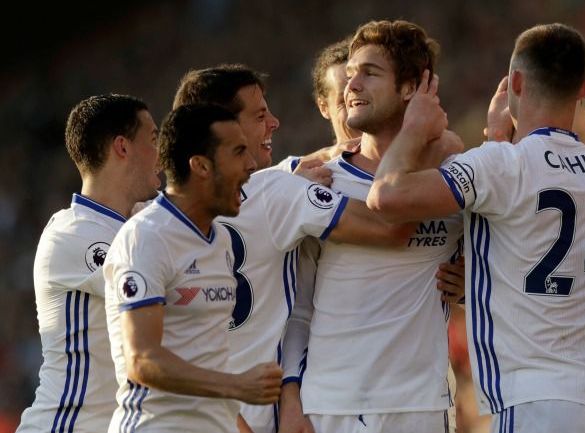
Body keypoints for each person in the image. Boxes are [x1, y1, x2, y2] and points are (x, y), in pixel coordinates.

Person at [366, 23, 585, 433]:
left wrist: (415, 127)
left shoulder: (502, 164)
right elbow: (546, 234)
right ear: (582, 89)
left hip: (539, 399)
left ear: (515, 81)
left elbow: (386, 197)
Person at [173, 64, 459, 433]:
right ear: (221, 128)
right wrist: (430, 144)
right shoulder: (279, 192)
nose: (274, 123)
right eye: (260, 115)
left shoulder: (151, 222)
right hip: (255, 417)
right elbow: (390, 226)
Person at [280, 20, 464, 433]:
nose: (352, 86)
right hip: (333, 407)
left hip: (421, 407)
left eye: (369, 73)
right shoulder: (319, 181)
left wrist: (471, 281)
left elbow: (498, 266)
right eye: (349, 76)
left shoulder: (455, 179)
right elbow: (296, 305)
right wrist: (290, 394)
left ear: (411, 88)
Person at [103, 104, 282, 432]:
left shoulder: (221, 241)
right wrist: (238, 385)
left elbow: (208, 357)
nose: (251, 164)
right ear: (200, 165)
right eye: (238, 152)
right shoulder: (146, 238)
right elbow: (142, 360)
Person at [16, 94, 160, 433]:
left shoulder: (140, 222)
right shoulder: (73, 232)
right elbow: (160, 286)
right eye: (153, 140)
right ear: (122, 148)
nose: (162, 153)